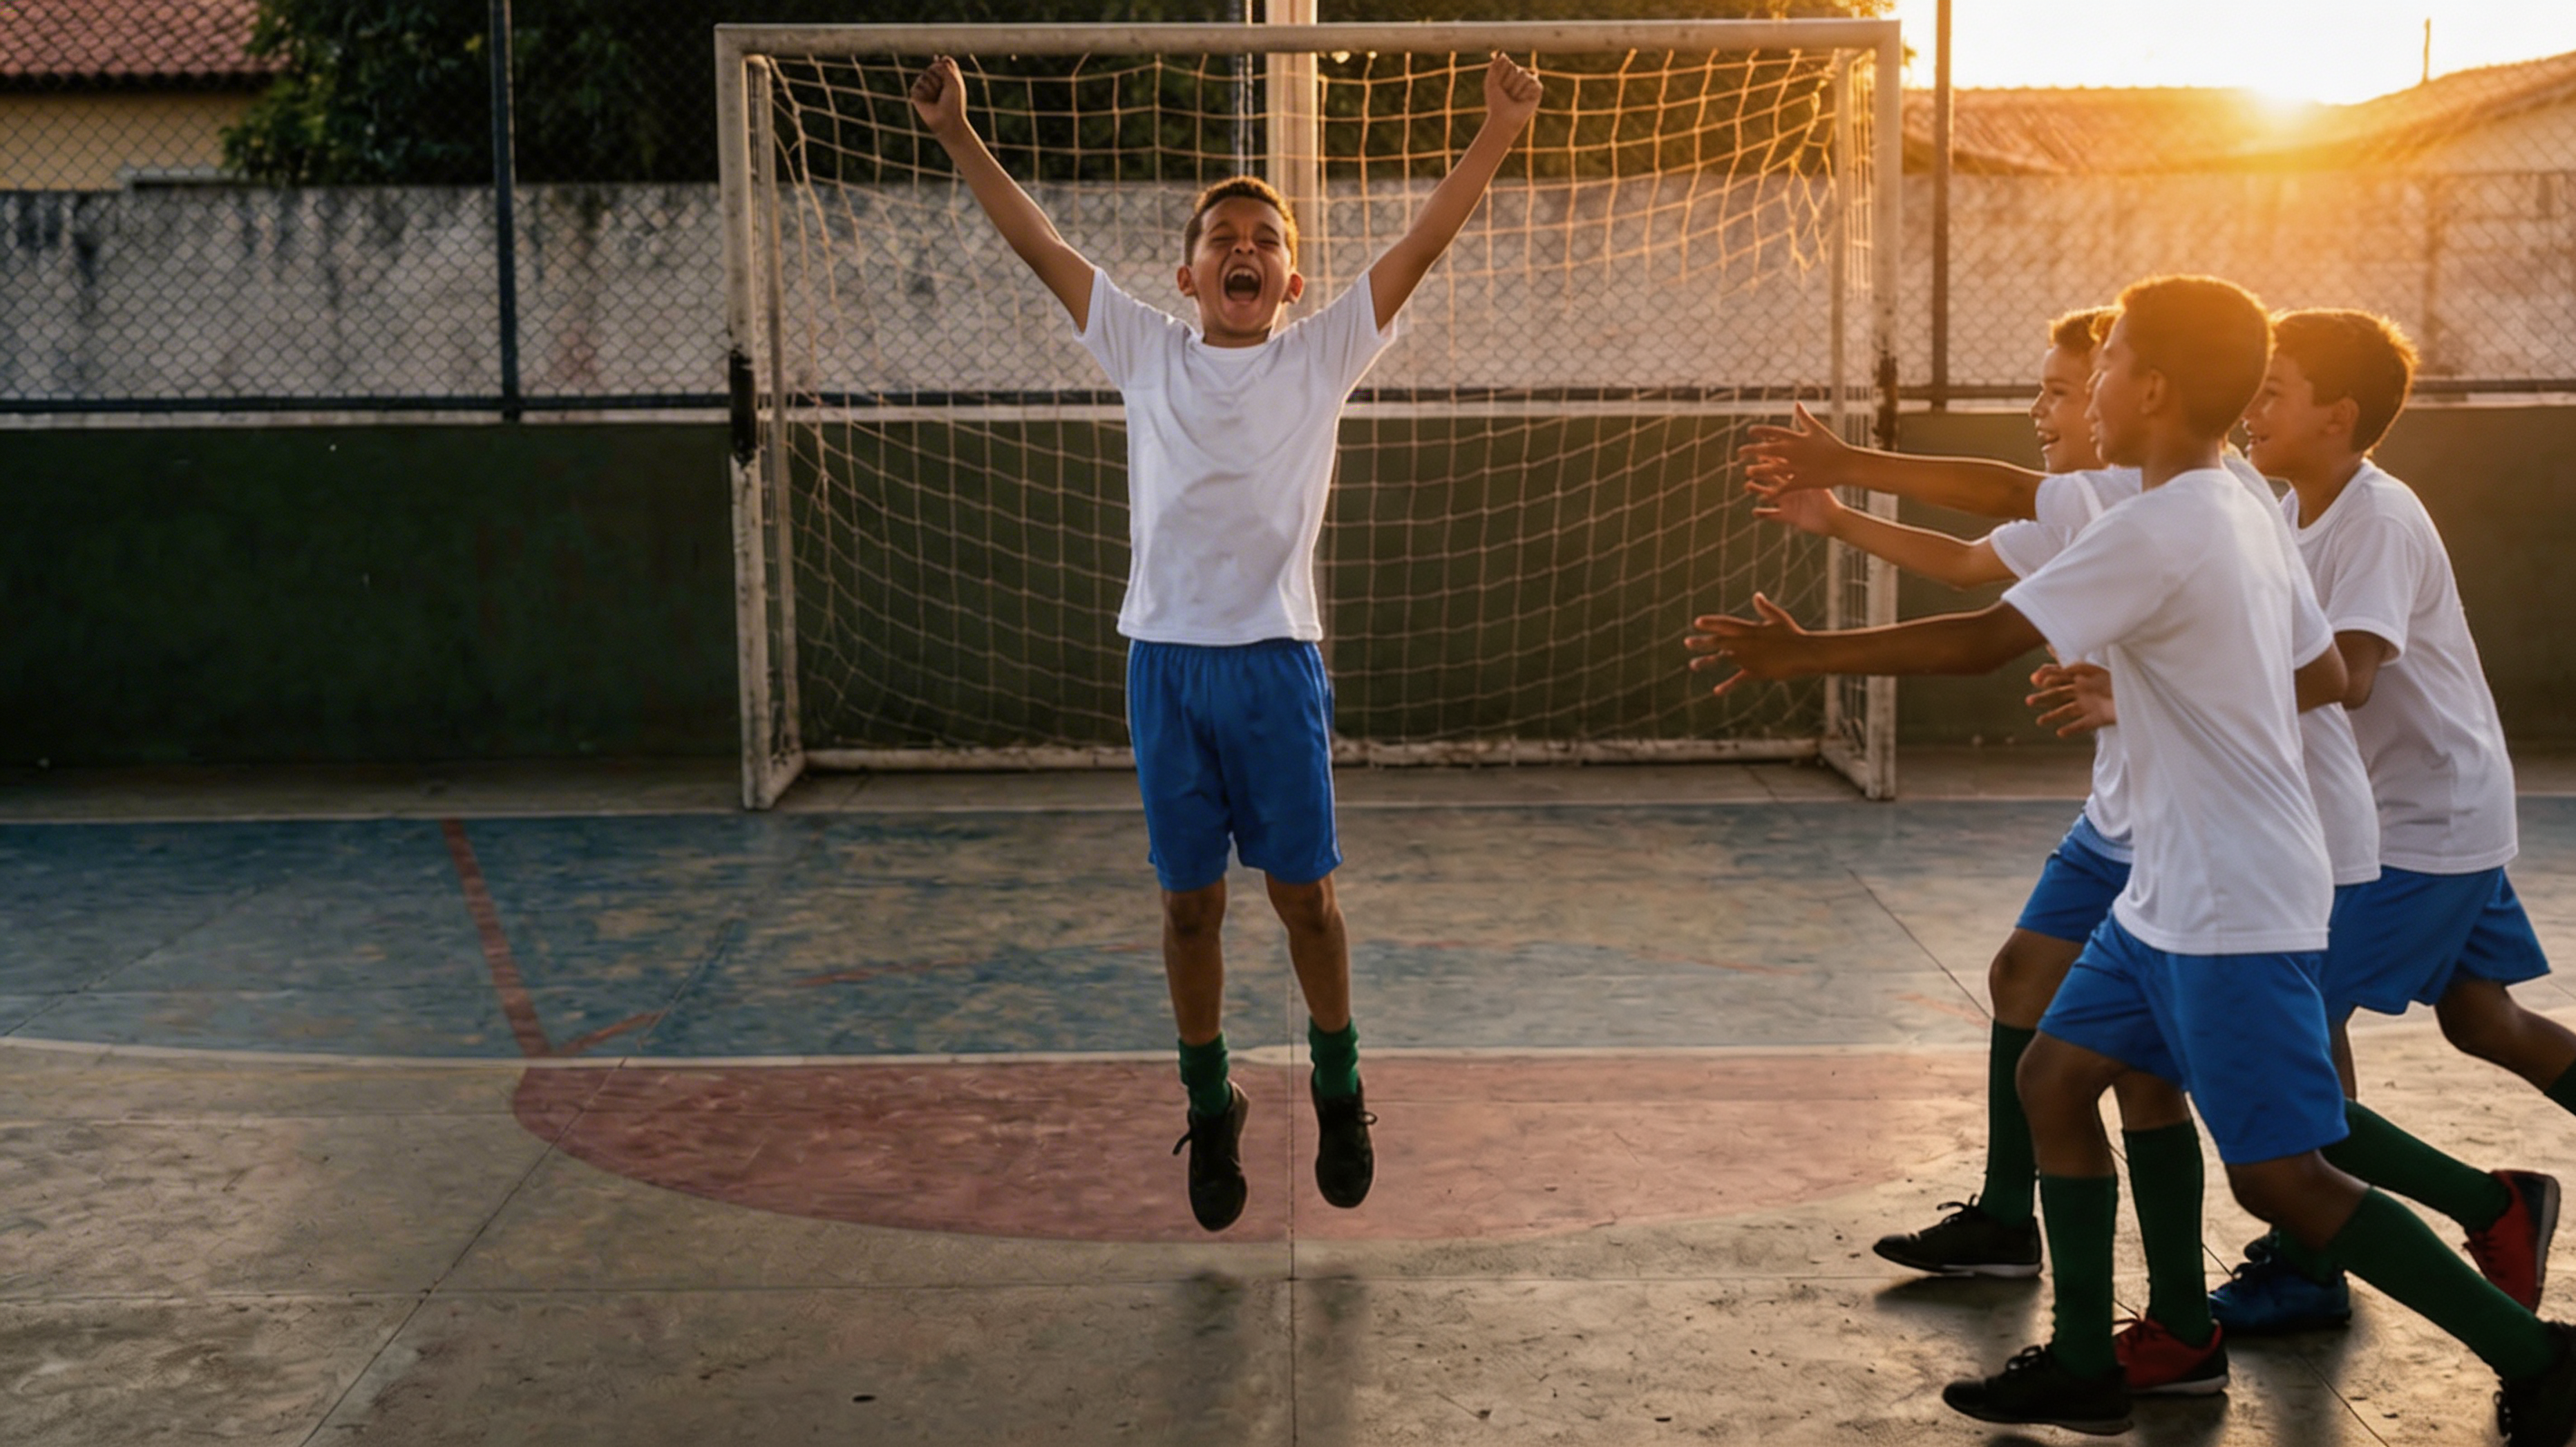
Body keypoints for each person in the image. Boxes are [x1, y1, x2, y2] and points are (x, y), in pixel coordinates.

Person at [1690, 276, 2576, 1442]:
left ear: (2151, 388)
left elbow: (1981, 640)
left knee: (2282, 1178)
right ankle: (2081, 1361)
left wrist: (1802, 658)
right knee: (2055, 1079)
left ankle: (2535, 1355)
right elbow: (2295, 662)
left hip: (2236, 897)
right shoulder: (2240, 504)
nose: (2084, 390)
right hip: (2166, 886)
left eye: (2101, 368)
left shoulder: (2171, 525)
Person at [910, 52, 1543, 1231]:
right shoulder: (1147, 351)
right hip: (1167, 669)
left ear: (1290, 278)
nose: (1241, 248)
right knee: (1189, 909)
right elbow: (1039, 243)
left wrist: (1498, 133)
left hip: (1273, 668)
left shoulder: (1321, 357)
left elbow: (1419, 245)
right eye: (1221, 237)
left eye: (1262, 236)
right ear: (1188, 274)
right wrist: (957, 135)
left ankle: (1339, 1083)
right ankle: (1212, 1104)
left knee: (1306, 901)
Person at [2206, 308, 2562, 1332]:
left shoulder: (2375, 520)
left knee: (2293, 1041)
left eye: (2274, 390)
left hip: (2416, 829)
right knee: (2483, 1019)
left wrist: (2189, 690)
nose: (2252, 406)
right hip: (2428, 809)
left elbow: (2350, 677)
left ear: (2338, 416)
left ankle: (2313, 1257)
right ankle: (2481, 1209)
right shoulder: (2287, 506)